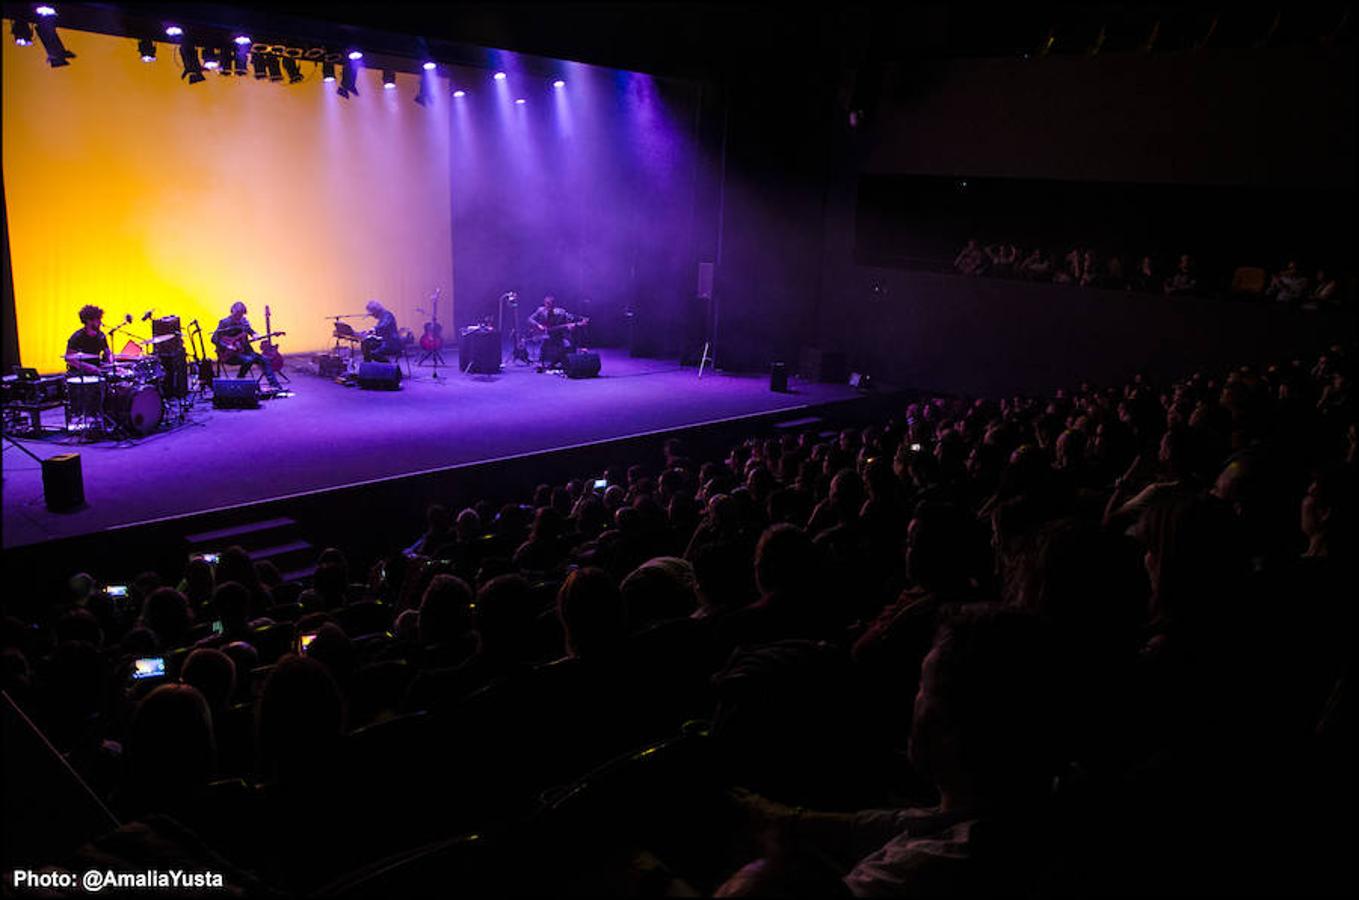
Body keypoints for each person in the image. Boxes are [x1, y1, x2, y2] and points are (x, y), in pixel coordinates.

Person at [212, 301, 283, 392]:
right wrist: (227, 346)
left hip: (245, 352)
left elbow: (250, 331)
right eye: (237, 314)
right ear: (232, 312)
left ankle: (275, 386)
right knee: (248, 360)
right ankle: (239, 383)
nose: (239, 317)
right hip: (229, 355)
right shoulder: (224, 323)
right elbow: (214, 338)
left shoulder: (243, 322)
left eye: (241, 314)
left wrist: (254, 334)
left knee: (265, 360)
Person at [528, 293, 587, 369]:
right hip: (543, 335)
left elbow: (570, 317)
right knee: (543, 344)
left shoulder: (561, 312)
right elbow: (530, 319)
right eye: (547, 304)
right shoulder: (540, 310)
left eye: (551, 305)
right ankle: (541, 362)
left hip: (557, 335)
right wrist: (538, 325)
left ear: (554, 305)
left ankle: (558, 361)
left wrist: (579, 321)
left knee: (567, 345)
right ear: (545, 304)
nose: (549, 307)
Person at [65, 304, 111, 374]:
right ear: (89, 321)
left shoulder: (101, 336)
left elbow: (108, 354)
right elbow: (69, 358)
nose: (100, 322)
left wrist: (115, 366)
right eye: (98, 320)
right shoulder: (77, 337)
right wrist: (88, 367)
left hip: (96, 371)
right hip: (78, 374)